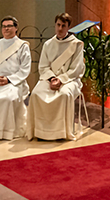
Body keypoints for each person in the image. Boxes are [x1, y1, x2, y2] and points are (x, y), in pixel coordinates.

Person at [29, 13, 84, 141]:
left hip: (69, 80)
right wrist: (52, 78)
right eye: (58, 25)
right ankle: (40, 131)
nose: (60, 29)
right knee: (36, 93)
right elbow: (43, 67)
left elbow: (75, 69)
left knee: (64, 94)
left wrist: (60, 80)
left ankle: (62, 132)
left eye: (63, 26)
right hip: (49, 78)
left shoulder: (76, 45)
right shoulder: (48, 44)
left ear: (68, 27)